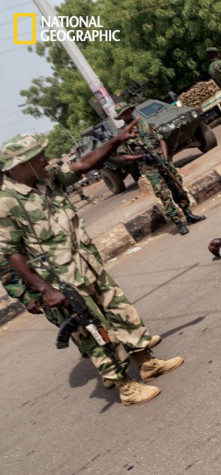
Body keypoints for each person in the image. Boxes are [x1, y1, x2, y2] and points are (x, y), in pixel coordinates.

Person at [0, 128, 184, 406]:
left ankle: (147, 363)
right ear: (23, 164)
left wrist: (116, 141)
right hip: (61, 283)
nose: (46, 159)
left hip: (88, 265)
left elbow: (84, 164)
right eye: (40, 156)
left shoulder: (47, 178)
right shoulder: (7, 202)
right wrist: (43, 289)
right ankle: (126, 387)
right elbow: (11, 253)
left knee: (123, 313)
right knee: (96, 334)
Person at [0, 257, 161, 390]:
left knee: (101, 320)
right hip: (43, 291)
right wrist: (26, 298)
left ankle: (130, 352)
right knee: (84, 333)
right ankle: (109, 372)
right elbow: (6, 271)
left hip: (61, 276)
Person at [114, 102, 205, 236]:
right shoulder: (123, 134)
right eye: (123, 113)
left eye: (128, 111)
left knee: (177, 187)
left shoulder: (145, 124)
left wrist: (165, 158)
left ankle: (188, 214)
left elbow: (161, 139)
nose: (127, 114)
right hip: (149, 168)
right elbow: (123, 157)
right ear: (121, 116)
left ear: (131, 110)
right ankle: (178, 222)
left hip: (163, 161)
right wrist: (141, 156)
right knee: (164, 194)